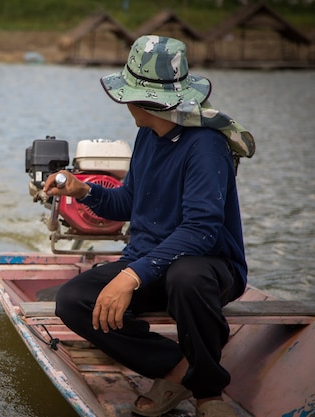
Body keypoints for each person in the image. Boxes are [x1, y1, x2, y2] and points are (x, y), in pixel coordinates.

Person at [43, 35, 255, 417]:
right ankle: (177, 368)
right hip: (152, 263)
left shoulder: (206, 146)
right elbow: (129, 203)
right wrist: (83, 189)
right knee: (73, 300)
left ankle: (209, 395)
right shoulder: (148, 135)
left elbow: (202, 230)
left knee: (186, 276)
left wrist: (130, 277)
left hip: (208, 265)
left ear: (144, 100)